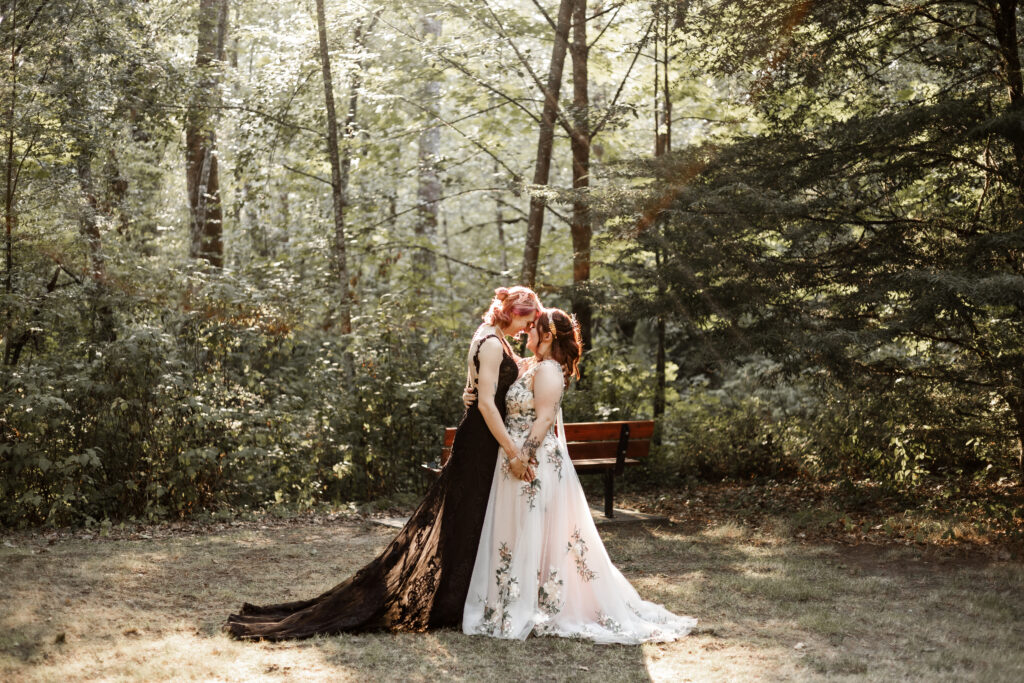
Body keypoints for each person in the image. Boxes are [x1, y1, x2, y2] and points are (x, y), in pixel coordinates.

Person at [225, 287, 541, 639]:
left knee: (468, 523)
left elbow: (483, 388)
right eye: (527, 320)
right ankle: (450, 601)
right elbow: (485, 404)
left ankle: (459, 597)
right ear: (514, 311)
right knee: (464, 522)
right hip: (481, 443)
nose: (528, 329)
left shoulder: (489, 336)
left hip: (481, 439)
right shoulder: (494, 343)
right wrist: (514, 451)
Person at [463, 308, 697, 643]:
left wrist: (521, 457)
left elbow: (544, 420)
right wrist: (470, 392)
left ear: (547, 336)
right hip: (515, 461)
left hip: (534, 464)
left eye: (534, 328)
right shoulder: (532, 366)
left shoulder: (548, 370)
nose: (527, 331)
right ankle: (514, 597)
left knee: (540, 534)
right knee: (519, 533)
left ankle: (541, 603)